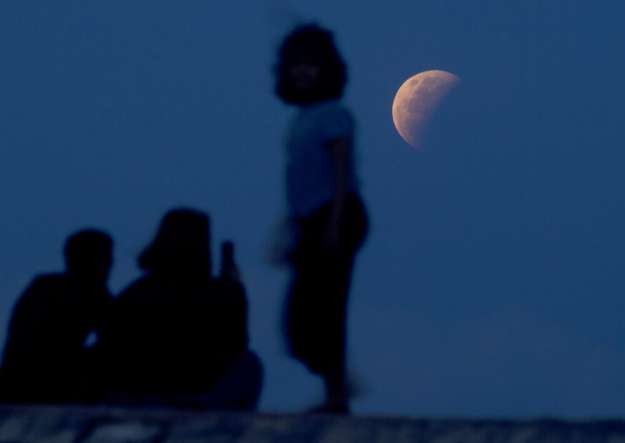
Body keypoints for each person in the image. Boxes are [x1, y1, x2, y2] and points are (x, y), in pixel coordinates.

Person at [273, 23, 369, 414]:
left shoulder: (334, 115)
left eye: (311, 65)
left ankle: (336, 394)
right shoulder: (302, 117)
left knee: (326, 309)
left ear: (326, 68)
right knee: (300, 320)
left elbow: (342, 170)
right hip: (309, 220)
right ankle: (337, 381)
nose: (302, 72)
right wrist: (290, 227)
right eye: (296, 65)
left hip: (336, 216)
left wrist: (334, 225)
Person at [97, 208, 262, 410]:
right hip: (171, 394)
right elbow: (236, 344)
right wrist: (234, 293)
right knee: (249, 364)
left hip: (142, 393)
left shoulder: (136, 292)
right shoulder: (219, 292)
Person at [0, 229, 113, 404]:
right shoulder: (53, 292)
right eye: (102, 258)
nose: (108, 265)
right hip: (36, 386)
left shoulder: (46, 289)